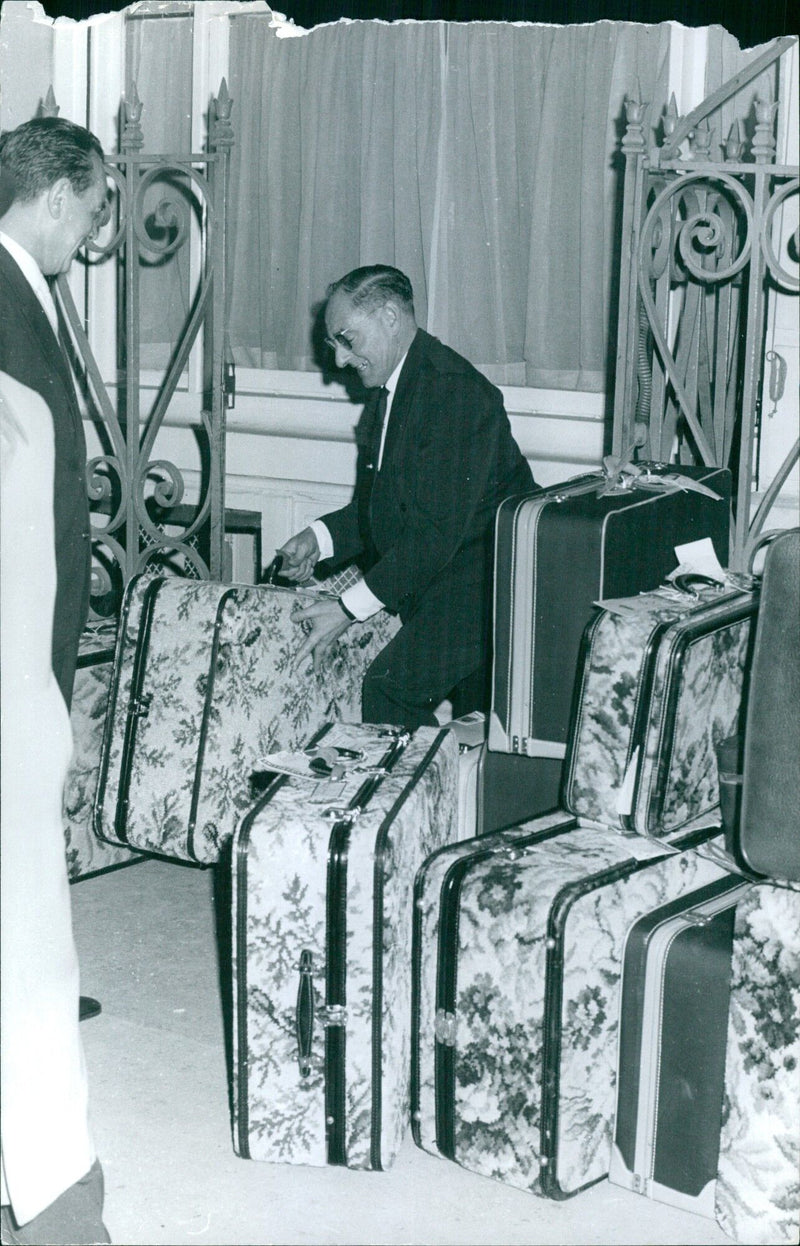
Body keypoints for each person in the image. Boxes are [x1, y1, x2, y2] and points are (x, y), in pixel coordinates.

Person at [277, 265, 534, 729]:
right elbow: (393, 505)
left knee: (389, 692)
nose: (338, 361)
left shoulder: (453, 392)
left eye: (346, 339)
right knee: (472, 728)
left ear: (390, 317)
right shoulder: (396, 387)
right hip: (449, 584)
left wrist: (344, 609)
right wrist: (320, 538)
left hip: (488, 590)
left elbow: (432, 534)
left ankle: (412, 797)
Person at [0, 116, 109, 1026]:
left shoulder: (22, 284)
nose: (97, 230)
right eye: (95, 208)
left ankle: (27, 980)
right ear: (60, 195)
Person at [1, 374, 111, 1244]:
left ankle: (49, 1189)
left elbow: (37, 594)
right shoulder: (26, 410)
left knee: (32, 974)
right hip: (21, 723)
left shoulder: (23, 416)